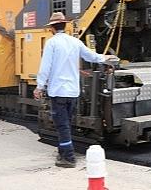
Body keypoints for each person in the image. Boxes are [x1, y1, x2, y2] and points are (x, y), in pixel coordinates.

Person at [33, 12, 117, 168]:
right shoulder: (75, 42)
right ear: (64, 25)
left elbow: (45, 67)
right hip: (72, 91)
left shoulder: (52, 43)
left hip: (58, 91)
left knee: (61, 124)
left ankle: (69, 157)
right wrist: (105, 58)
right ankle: (62, 151)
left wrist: (39, 86)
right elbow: (91, 56)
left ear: (51, 27)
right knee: (66, 123)